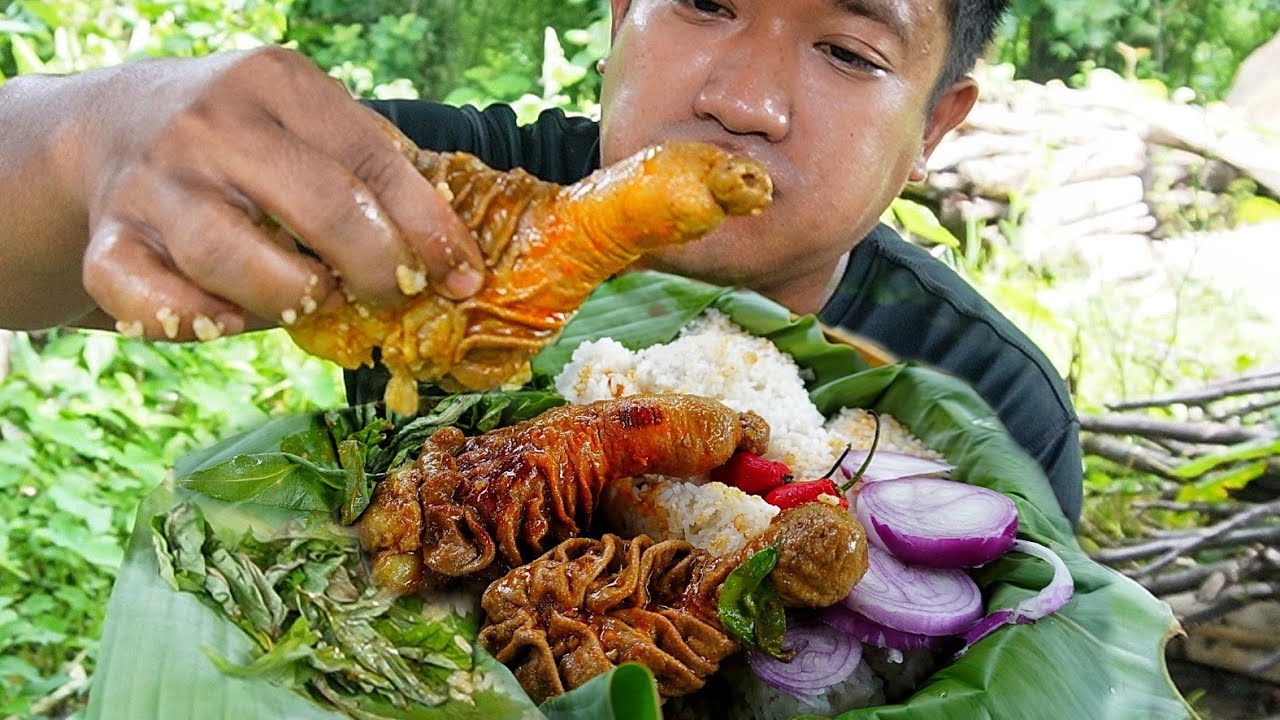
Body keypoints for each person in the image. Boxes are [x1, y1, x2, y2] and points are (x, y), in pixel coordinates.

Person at [0, 0, 1081, 524]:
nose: (743, 100)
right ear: (619, 15)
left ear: (935, 126)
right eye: (705, 0)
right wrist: (98, 139)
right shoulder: (443, 189)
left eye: (847, 51)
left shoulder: (984, 403)